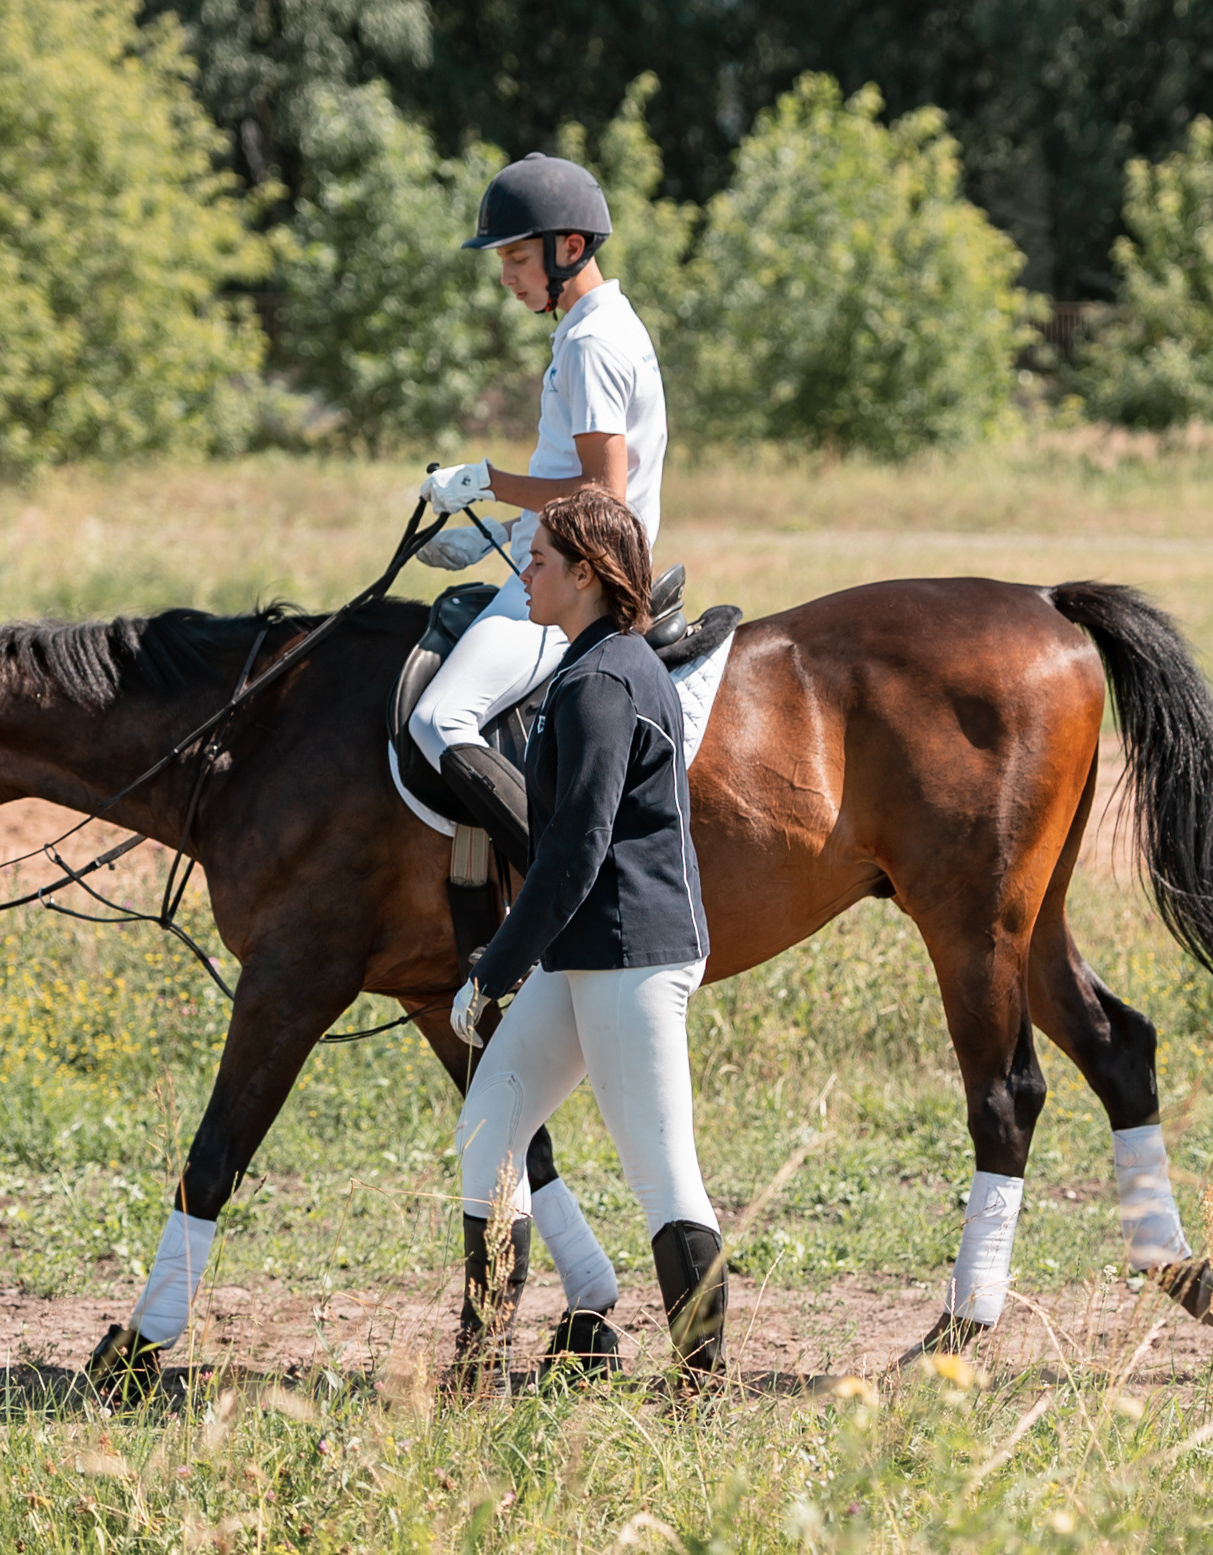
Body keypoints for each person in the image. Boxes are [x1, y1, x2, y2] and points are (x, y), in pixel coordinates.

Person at [446, 488, 723, 1387]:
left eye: (536, 558)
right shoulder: (592, 663)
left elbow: (575, 847)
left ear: (585, 574)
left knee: (662, 1173)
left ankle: (703, 1391)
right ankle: (480, 1366)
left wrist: (494, 966)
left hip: (631, 953)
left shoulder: (602, 680)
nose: (522, 571)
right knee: (490, 1126)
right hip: (587, 951)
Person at [410, 151, 669, 874]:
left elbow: (601, 497)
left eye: (518, 258)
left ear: (571, 246)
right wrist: (501, 534)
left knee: (440, 719)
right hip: (557, 561)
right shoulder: (597, 326)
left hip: (576, 588)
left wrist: (488, 481)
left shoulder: (590, 342)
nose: (508, 278)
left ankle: (559, 885)